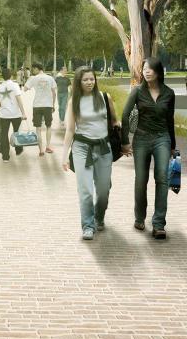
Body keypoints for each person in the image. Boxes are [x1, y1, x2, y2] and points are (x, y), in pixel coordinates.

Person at [124, 58, 177, 239]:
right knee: (141, 179)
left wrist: (173, 146)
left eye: (150, 69)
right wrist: (124, 141)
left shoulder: (169, 93)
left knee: (162, 177)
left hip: (162, 137)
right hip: (141, 138)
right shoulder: (137, 91)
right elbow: (124, 116)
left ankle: (159, 223)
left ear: (158, 71)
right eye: (144, 69)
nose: (146, 72)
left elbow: (170, 120)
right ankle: (139, 217)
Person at [61, 67, 115, 240]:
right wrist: (64, 156)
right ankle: (87, 225)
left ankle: (99, 217)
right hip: (82, 148)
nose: (90, 82)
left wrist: (123, 140)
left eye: (92, 79)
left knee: (104, 190)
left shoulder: (104, 97)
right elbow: (70, 130)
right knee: (86, 191)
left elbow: (114, 121)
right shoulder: (73, 102)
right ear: (79, 82)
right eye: (85, 80)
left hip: (104, 148)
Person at [23, 63, 58, 153]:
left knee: (38, 128)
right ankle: (48, 146)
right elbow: (54, 93)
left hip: (37, 105)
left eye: (33, 69)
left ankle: (41, 150)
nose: (33, 71)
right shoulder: (50, 78)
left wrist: (30, 80)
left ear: (36, 69)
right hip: (47, 105)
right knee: (48, 126)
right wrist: (53, 105)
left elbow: (25, 89)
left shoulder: (33, 78)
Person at [0, 68, 26, 156]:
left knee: (4, 134)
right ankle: (18, 150)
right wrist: (23, 112)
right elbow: (19, 99)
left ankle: (5, 155)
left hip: (4, 115)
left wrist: (4, 106)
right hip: (16, 114)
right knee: (17, 132)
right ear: (11, 76)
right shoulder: (15, 85)